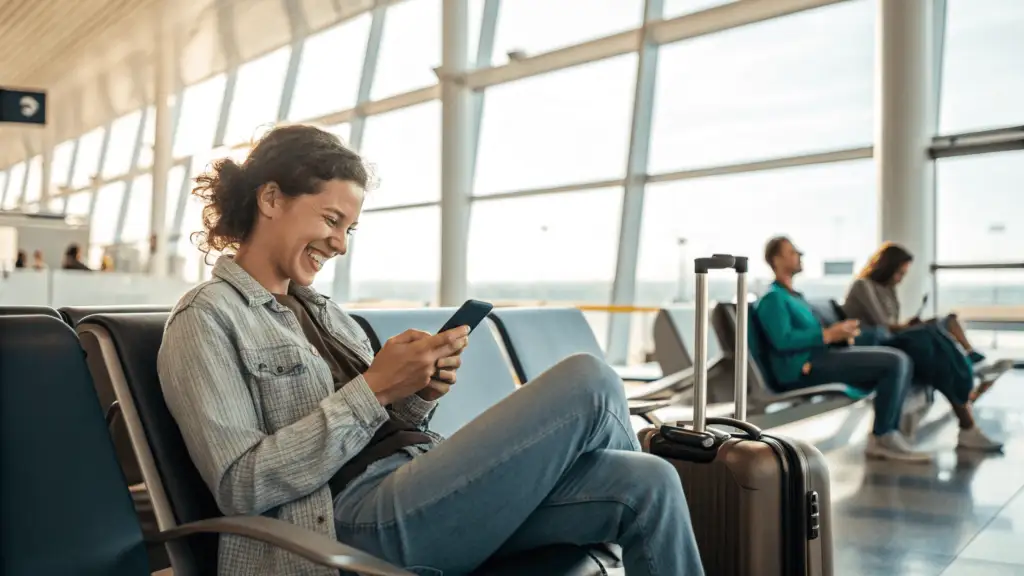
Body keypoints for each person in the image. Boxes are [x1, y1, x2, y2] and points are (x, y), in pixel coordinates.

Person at [157, 125, 702, 576]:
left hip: (412, 487)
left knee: (648, 481)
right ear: (271, 198)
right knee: (590, 381)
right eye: (330, 220)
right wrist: (372, 390)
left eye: (349, 228)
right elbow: (242, 486)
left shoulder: (329, 314)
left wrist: (417, 393)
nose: (341, 243)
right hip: (339, 528)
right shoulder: (206, 318)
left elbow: (379, 425)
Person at [756, 236, 931, 463]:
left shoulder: (795, 297)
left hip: (821, 357)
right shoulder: (773, 298)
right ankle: (883, 436)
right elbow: (782, 340)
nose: (799, 255)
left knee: (900, 359)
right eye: (792, 252)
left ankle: (888, 433)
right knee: (896, 361)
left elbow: (810, 335)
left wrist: (839, 333)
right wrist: (828, 334)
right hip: (804, 368)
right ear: (776, 260)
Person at [844, 242, 1014, 403]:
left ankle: (971, 357)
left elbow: (892, 323)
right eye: (899, 273)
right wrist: (908, 326)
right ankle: (971, 373)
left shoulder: (889, 290)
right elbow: (882, 323)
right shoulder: (863, 286)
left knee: (948, 321)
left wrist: (908, 324)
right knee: (932, 335)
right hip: (875, 340)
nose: (900, 279)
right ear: (886, 268)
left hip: (890, 335)